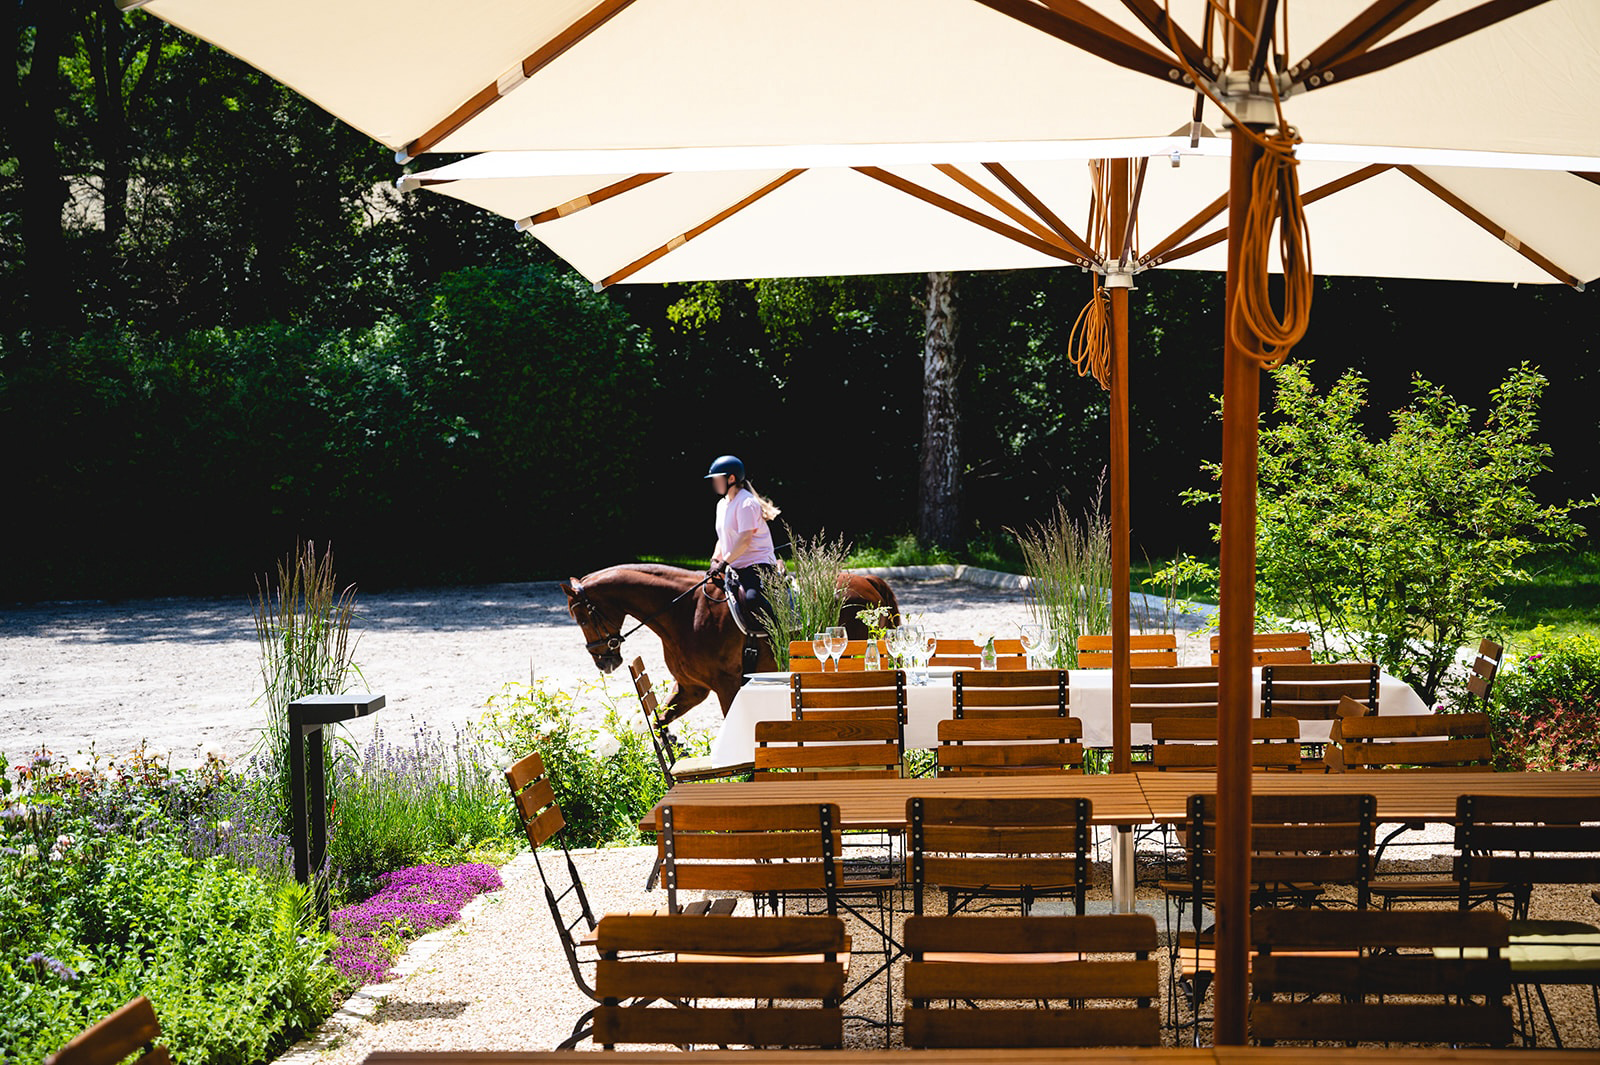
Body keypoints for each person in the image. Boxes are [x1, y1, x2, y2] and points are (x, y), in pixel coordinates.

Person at [705, 455, 781, 641]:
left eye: (717, 478)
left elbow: (744, 540)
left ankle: (781, 636)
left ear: (731, 479)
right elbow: (723, 538)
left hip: (757, 566)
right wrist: (715, 560)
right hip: (734, 565)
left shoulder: (747, 503)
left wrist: (724, 562)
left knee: (752, 598)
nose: (714, 483)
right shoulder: (722, 504)